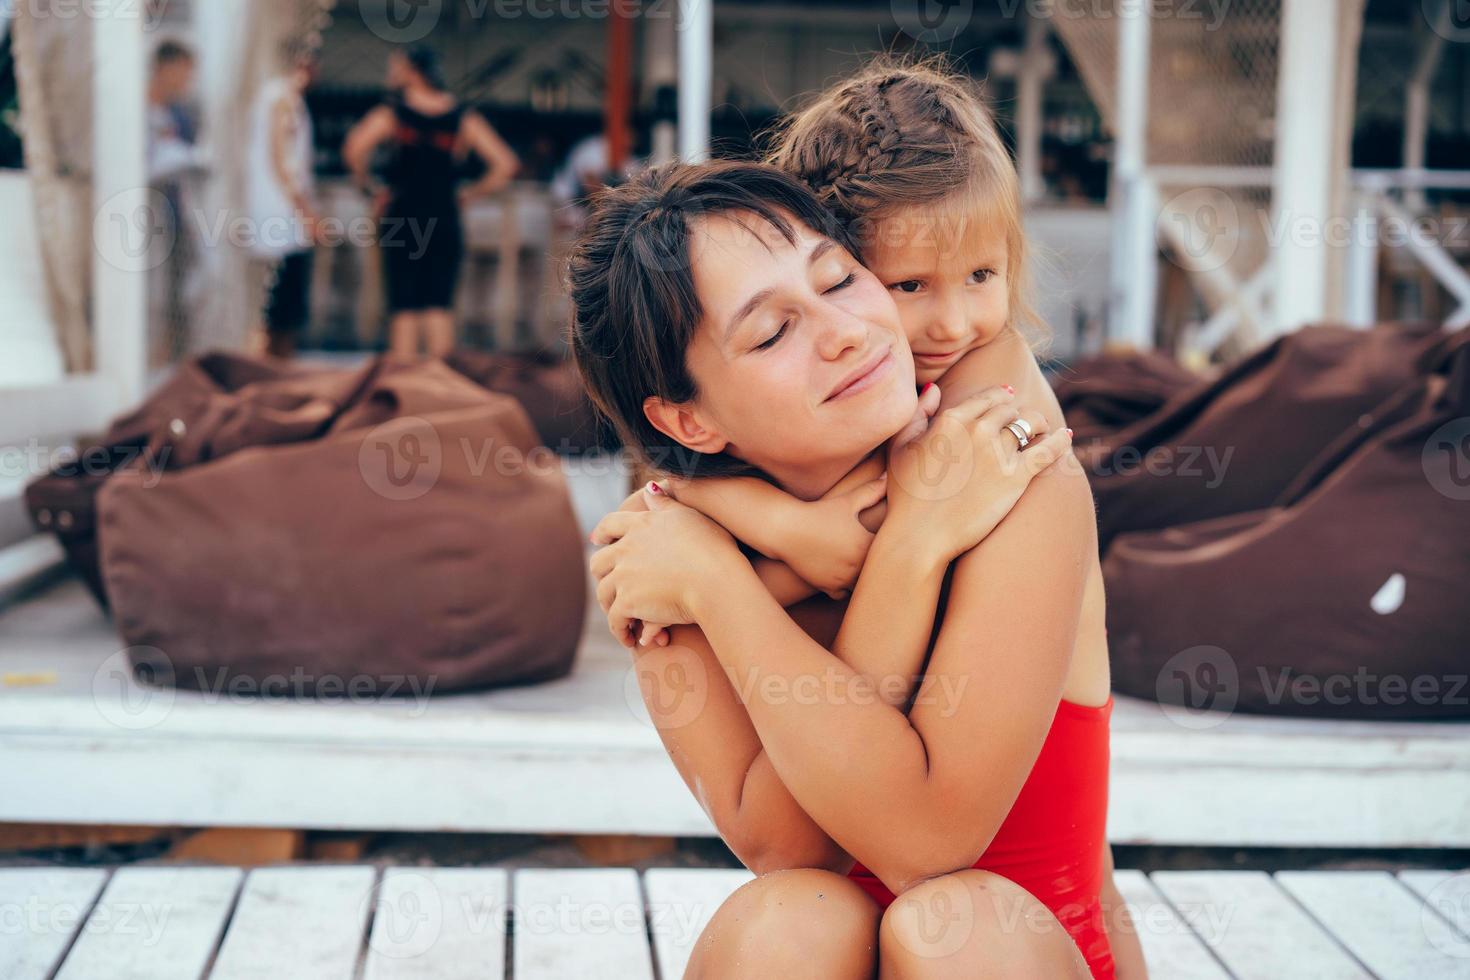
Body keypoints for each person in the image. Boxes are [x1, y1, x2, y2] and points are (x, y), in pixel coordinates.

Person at [574, 158, 1140, 978]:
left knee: (954, 919)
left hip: (1011, 954)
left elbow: (928, 843)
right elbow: (792, 846)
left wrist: (908, 538)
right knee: (787, 919)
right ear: (687, 419)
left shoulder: (1011, 480)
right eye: (771, 332)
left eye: (840, 280)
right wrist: (728, 581)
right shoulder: (670, 557)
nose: (843, 332)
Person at [342, 44, 519, 359]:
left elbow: (354, 149)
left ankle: (405, 392)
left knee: (404, 303)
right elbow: (505, 164)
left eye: (395, 67)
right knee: (439, 302)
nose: (390, 74)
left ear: (412, 71)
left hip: (402, 214)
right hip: (444, 214)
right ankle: (442, 391)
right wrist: (470, 194)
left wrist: (371, 189)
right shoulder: (461, 116)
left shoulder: (392, 112)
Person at [245, 39, 321, 360]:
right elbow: (283, 160)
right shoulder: (283, 100)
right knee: (277, 314)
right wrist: (306, 213)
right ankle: (266, 376)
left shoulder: (269, 97)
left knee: (269, 310)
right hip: (281, 222)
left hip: (271, 220)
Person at [147, 39, 207, 365]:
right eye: (183, 72)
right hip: (143, 218)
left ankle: (171, 358)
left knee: (180, 292)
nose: (187, 81)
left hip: (175, 214)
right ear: (164, 68)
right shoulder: (137, 110)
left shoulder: (180, 116)